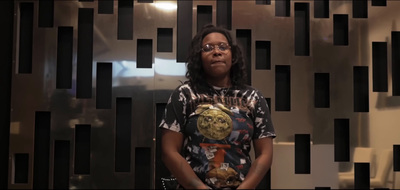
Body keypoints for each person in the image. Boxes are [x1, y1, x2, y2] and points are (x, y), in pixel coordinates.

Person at [159, 24, 276, 189]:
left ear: (232, 55)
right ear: (198, 57)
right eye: (208, 48)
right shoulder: (184, 94)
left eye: (223, 47)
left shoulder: (253, 97)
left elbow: (265, 154)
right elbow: (168, 151)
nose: (216, 52)